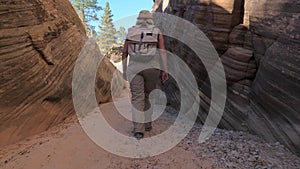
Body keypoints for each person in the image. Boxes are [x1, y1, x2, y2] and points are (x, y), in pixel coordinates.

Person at [122, 10, 168, 139]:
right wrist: (165, 70)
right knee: (148, 95)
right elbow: (162, 51)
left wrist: (125, 70)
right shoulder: (156, 31)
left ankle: (138, 130)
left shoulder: (131, 31)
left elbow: (124, 52)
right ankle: (147, 124)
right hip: (152, 68)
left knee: (137, 97)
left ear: (138, 19)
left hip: (134, 67)